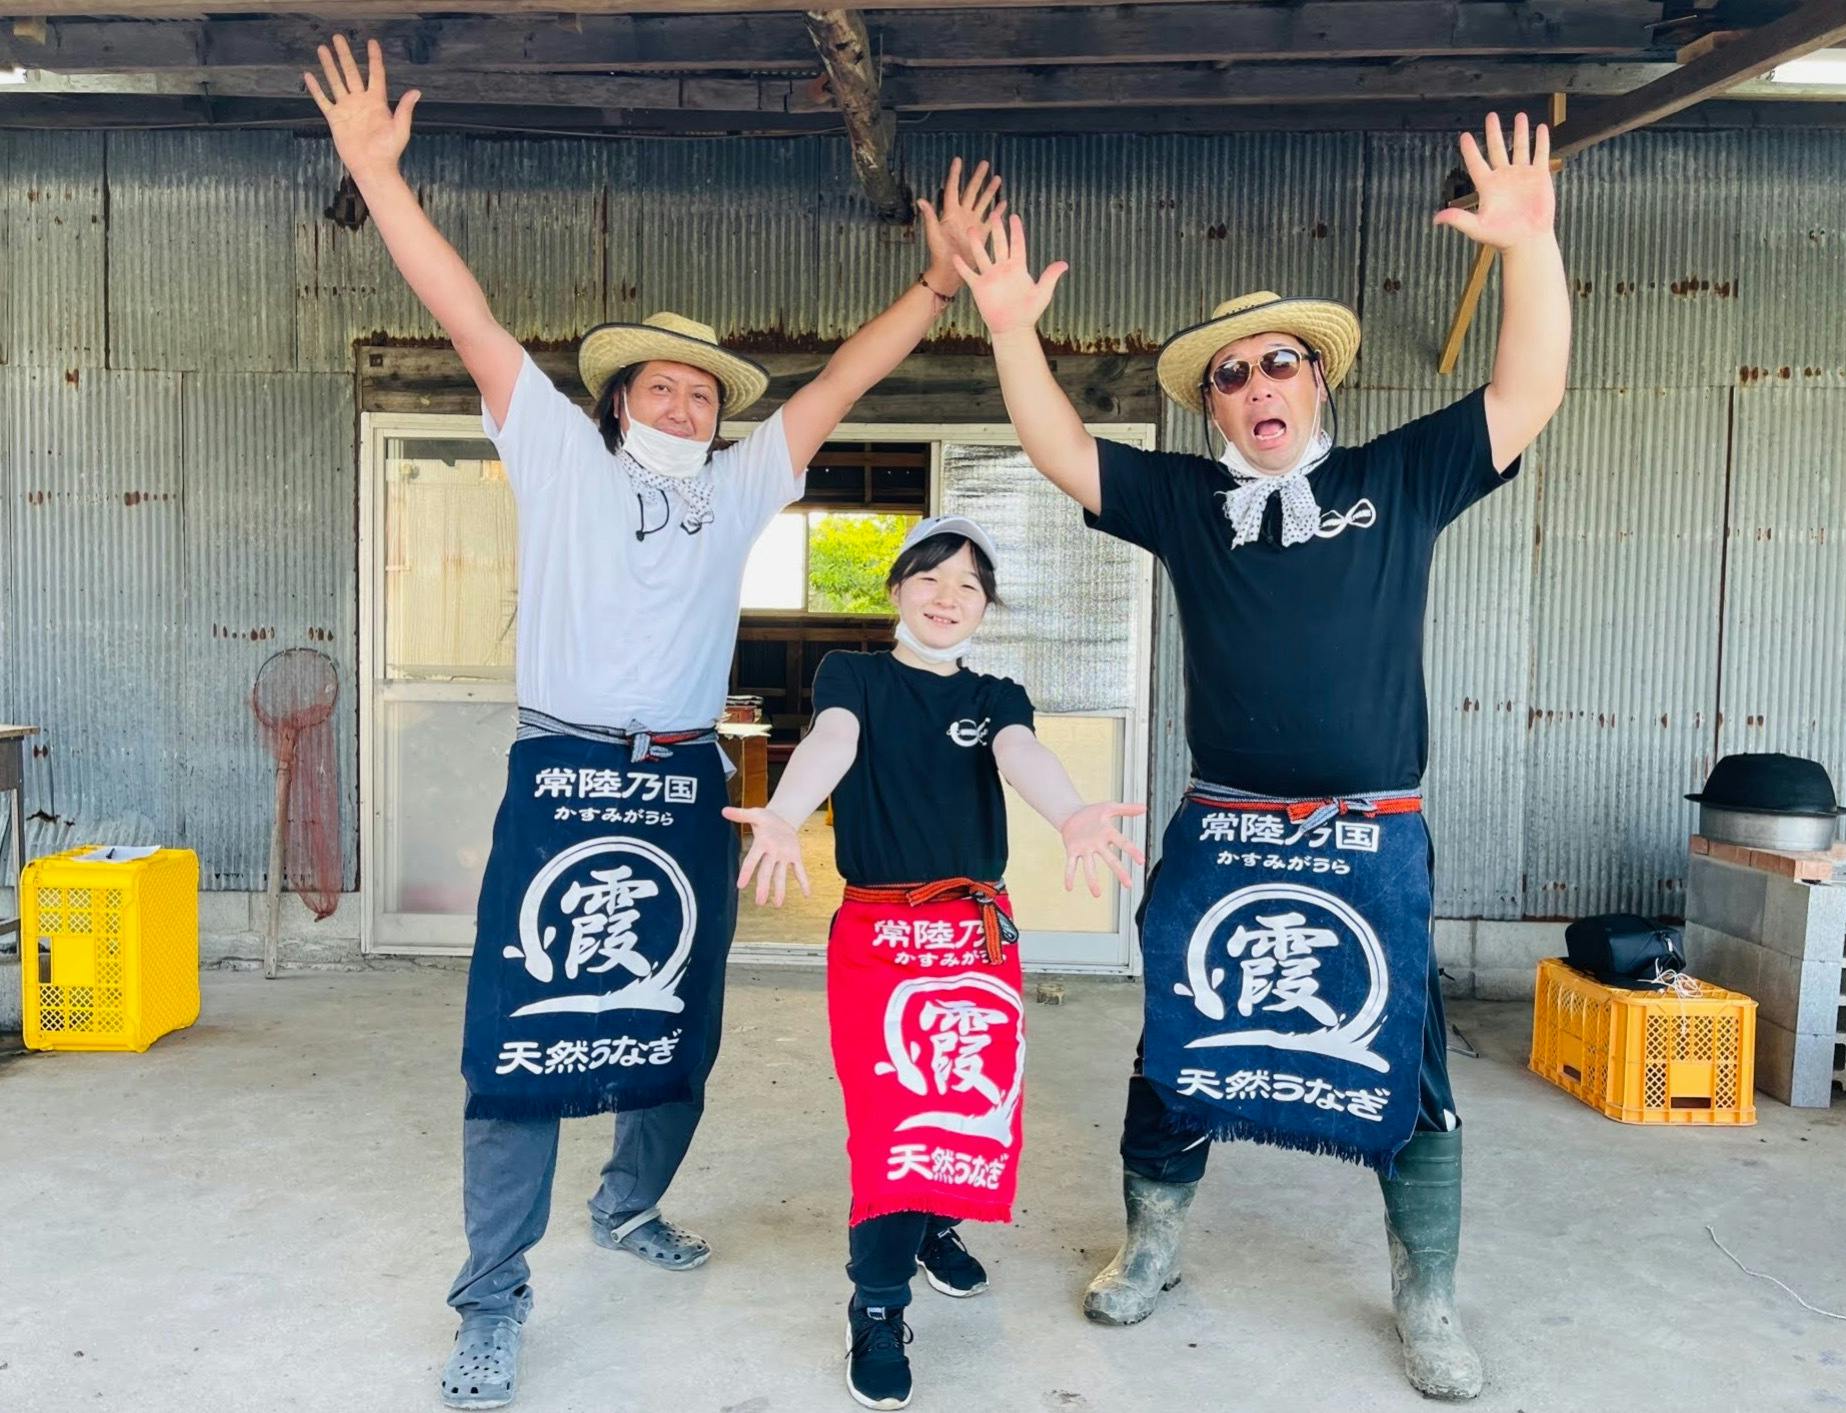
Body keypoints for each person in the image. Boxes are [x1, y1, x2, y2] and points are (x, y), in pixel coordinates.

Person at [304, 35, 1010, 1410]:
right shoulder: (557, 455)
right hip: (564, 768)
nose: (685, 401)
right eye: (661, 387)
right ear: (617, 402)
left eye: (704, 391)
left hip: (686, 778)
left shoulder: (739, 491)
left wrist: (935, 287)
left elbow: (838, 387)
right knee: (523, 1038)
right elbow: (467, 316)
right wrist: (380, 180)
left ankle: (629, 1203)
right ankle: (492, 1297)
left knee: (677, 1020)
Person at [953, 112, 1570, 1401]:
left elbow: (1527, 394)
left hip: (1371, 831)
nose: (1257, 387)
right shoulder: (1190, 503)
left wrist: (1528, 247)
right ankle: (1152, 1244)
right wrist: (1010, 330)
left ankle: (1428, 1297)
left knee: (1407, 1058)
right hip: (1224, 827)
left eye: (1278, 363)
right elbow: (1062, 451)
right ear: (1213, 406)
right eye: (1230, 377)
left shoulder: (1402, 478)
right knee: (1178, 1041)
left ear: (1318, 378)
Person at [727, 516, 1145, 1411]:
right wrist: (785, 810)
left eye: (968, 585)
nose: (948, 597)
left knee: (966, 1105)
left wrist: (1071, 810)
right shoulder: (855, 676)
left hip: (974, 935)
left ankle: (933, 1225)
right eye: (930, 577)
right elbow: (834, 741)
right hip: (880, 933)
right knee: (893, 1122)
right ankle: (877, 1303)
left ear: (985, 607)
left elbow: (1020, 753)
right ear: (896, 590)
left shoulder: (996, 695)